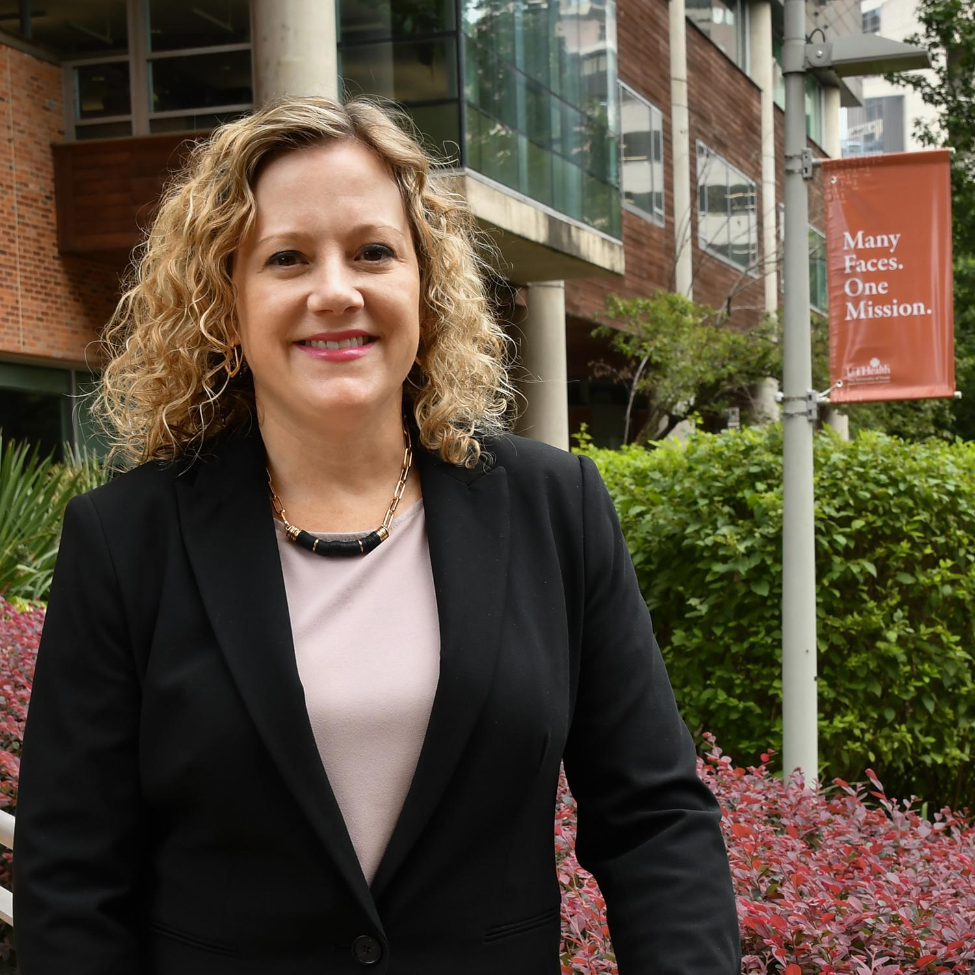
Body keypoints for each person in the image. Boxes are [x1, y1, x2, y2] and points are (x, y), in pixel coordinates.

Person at [14, 96, 740, 974]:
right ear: (225, 304)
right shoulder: (124, 539)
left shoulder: (556, 508)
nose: (335, 291)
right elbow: (73, 878)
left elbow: (654, 817)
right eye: (286, 257)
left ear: (425, 287)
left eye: (372, 252)